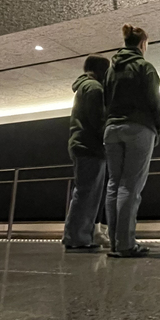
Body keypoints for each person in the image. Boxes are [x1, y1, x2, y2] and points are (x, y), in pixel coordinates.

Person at [103, 24, 160, 258]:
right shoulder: (144, 67)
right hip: (138, 128)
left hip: (112, 129)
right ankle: (126, 243)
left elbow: (106, 100)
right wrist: (158, 127)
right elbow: (155, 102)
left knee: (113, 184)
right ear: (142, 44)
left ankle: (115, 242)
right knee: (130, 186)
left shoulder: (111, 70)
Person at [63, 55, 111, 253]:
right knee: (87, 193)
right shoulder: (94, 89)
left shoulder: (83, 87)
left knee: (85, 192)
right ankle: (77, 237)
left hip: (80, 144)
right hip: (89, 146)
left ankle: (81, 235)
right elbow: (98, 120)